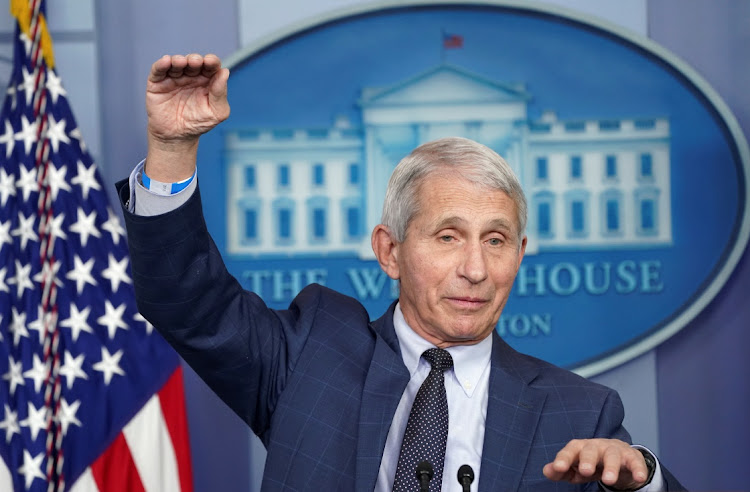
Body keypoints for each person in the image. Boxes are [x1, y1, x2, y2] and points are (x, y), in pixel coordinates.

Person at [117, 54, 685, 491]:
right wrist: (172, 146)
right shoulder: (309, 357)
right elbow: (187, 301)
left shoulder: (580, 411)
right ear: (389, 251)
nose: (475, 269)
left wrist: (645, 481)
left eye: (496, 240)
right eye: (447, 237)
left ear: (520, 253)